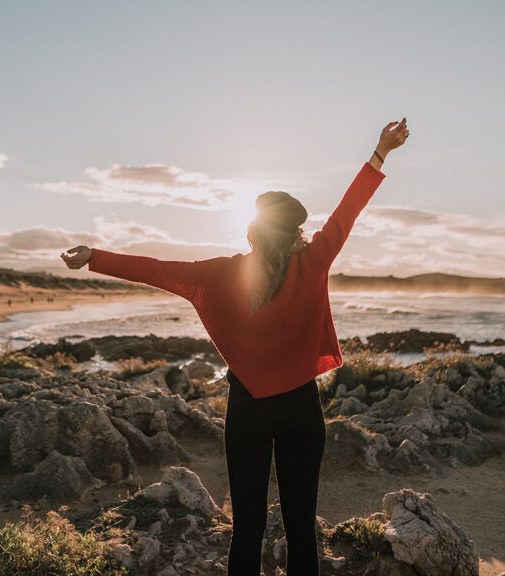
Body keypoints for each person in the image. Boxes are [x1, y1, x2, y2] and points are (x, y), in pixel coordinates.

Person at [61, 118, 409, 575]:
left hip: (247, 408)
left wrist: (96, 257)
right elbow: (348, 211)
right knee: (301, 527)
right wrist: (381, 151)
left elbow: (156, 268)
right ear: (295, 233)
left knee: (246, 528)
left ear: (252, 232)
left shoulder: (219, 275)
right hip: (302, 409)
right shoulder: (313, 262)